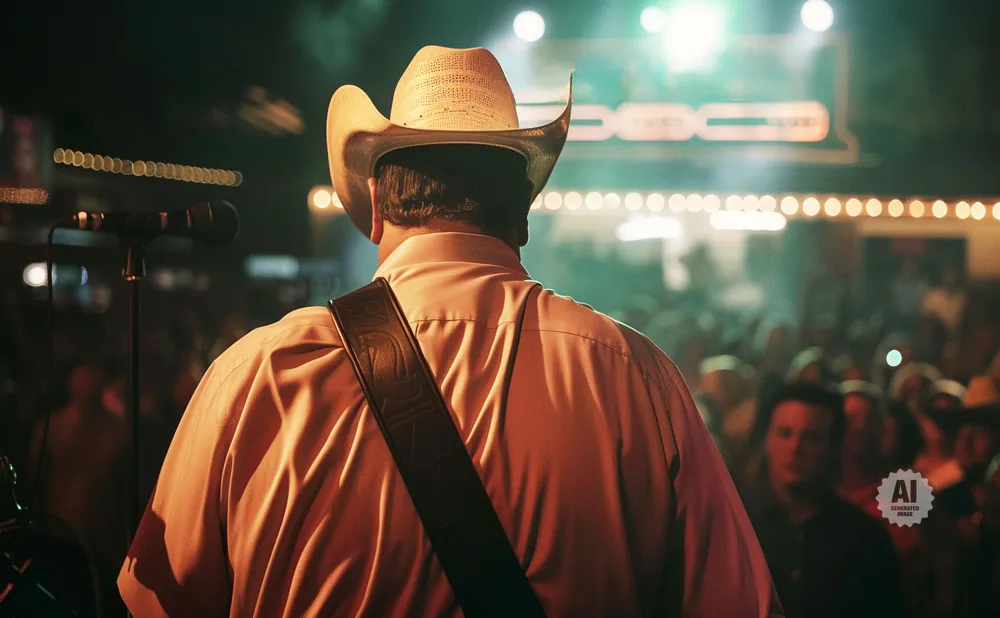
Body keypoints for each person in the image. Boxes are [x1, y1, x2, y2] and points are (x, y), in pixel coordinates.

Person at [118, 46, 781, 617]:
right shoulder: (634, 376)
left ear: (375, 207)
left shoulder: (262, 373)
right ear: (521, 212)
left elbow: (152, 602)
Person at [742, 382, 903, 618]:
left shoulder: (864, 538)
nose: (796, 447)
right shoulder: (736, 524)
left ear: (834, 447)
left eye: (812, 438)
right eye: (785, 433)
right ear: (766, 439)